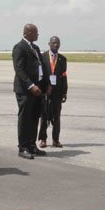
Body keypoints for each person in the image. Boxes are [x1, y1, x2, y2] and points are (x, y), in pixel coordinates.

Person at [12, 23, 48, 159]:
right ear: (27, 33)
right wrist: (31, 85)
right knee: (25, 118)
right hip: (26, 90)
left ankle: (32, 145)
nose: (38, 35)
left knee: (34, 117)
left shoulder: (35, 48)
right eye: (36, 32)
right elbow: (19, 69)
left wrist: (46, 85)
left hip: (38, 90)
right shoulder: (19, 47)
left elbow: (41, 67)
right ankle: (23, 147)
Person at [38, 35, 67, 149]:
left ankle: (56, 140)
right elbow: (40, 75)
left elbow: (64, 76)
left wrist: (64, 92)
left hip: (57, 92)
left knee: (57, 117)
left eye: (58, 43)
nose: (56, 45)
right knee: (44, 116)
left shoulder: (62, 59)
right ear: (49, 44)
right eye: (54, 43)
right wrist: (43, 89)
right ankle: (43, 139)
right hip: (46, 91)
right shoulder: (42, 57)